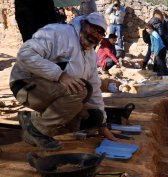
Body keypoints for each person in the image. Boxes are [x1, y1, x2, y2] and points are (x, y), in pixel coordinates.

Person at [9, 12, 116, 151]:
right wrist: (60, 75)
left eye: (100, 33)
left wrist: (102, 125)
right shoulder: (58, 33)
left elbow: (95, 90)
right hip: (26, 84)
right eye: (93, 29)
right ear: (84, 23)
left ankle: (32, 119)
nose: (95, 35)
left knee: (93, 117)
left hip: (53, 92)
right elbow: (25, 55)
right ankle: (36, 130)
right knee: (80, 90)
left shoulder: (90, 56)